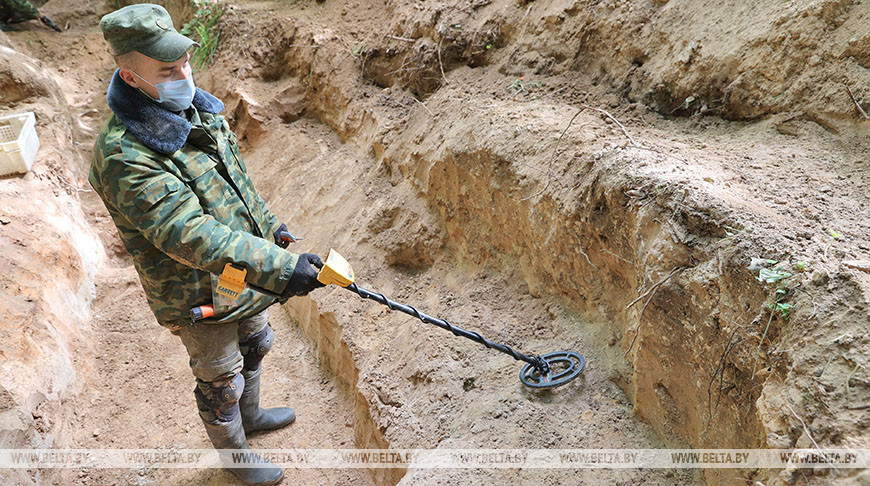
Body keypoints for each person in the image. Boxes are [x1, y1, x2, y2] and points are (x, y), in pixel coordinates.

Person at [90, 4, 324, 485]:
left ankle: (253, 418)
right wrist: (279, 267)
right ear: (131, 78)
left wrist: (272, 230)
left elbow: (238, 184)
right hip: (194, 288)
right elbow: (187, 233)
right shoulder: (124, 154)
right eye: (166, 70)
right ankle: (236, 462)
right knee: (220, 380)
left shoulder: (196, 108)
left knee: (256, 342)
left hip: (240, 270)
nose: (183, 75)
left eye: (184, 63)